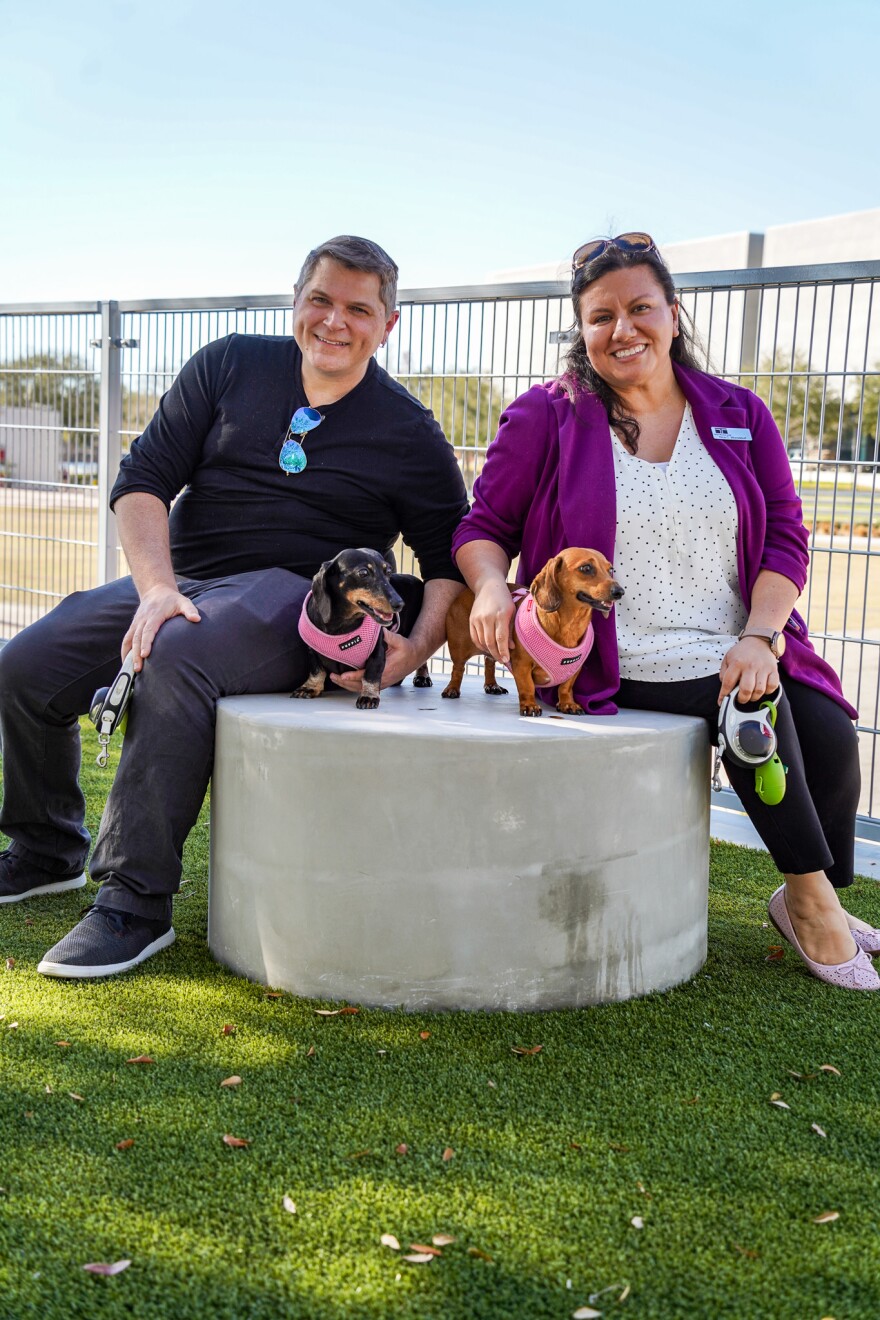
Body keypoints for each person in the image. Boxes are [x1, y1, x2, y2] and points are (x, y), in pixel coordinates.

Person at [0, 235, 468, 977]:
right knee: (23, 667)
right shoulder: (229, 364)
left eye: (358, 308)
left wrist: (416, 647)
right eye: (319, 299)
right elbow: (143, 481)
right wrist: (156, 588)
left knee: (177, 657)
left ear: (388, 325)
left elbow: (449, 563)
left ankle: (134, 900)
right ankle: (44, 844)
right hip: (183, 579)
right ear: (295, 301)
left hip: (297, 599)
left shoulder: (409, 431)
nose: (334, 321)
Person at [452, 231, 879, 992]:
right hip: (617, 651)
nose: (623, 329)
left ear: (673, 314)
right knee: (753, 715)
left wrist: (759, 634)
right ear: (581, 330)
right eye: (600, 316)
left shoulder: (737, 411)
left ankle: (807, 890)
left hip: (738, 637)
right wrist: (489, 587)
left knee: (830, 734)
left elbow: (786, 535)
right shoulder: (548, 416)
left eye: (641, 308)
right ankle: (816, 909)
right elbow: (484, 528)